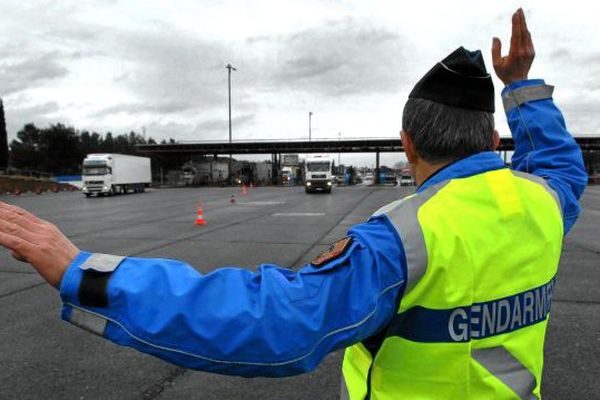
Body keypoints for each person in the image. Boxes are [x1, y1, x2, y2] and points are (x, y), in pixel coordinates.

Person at [0, 8, 587, 399]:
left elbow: (272, 322)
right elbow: (562, 163)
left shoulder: (402, 241)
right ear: (491, 142)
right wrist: (520, 89)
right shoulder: (545, 201)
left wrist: (87, 274)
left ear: (406, 144)